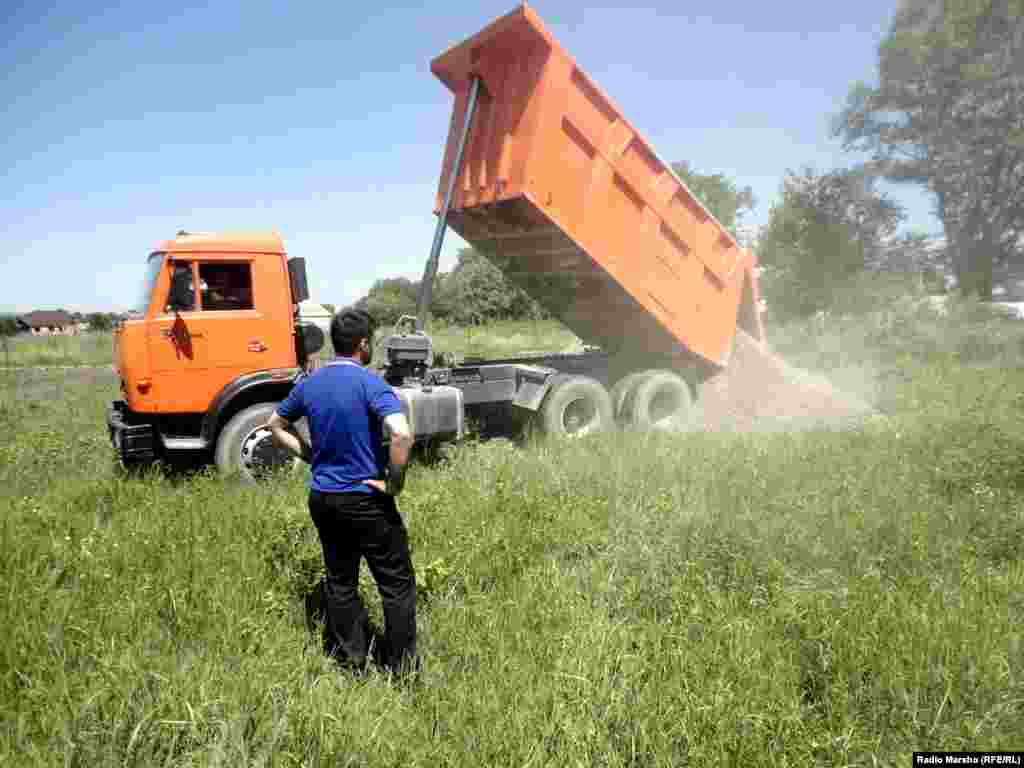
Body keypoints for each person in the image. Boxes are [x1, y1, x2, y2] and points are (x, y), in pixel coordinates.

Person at [265, 308, 418, 675]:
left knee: (340, 580)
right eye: (373, 342)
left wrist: (309, 454)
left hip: (324, 499)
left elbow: (274, 424)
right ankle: (401, 669)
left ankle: (352, 663)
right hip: (365, 499)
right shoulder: (370, 384)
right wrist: (394, 484)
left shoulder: (310, 384)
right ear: (363, 344)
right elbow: (402, 434)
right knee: (396, 584)